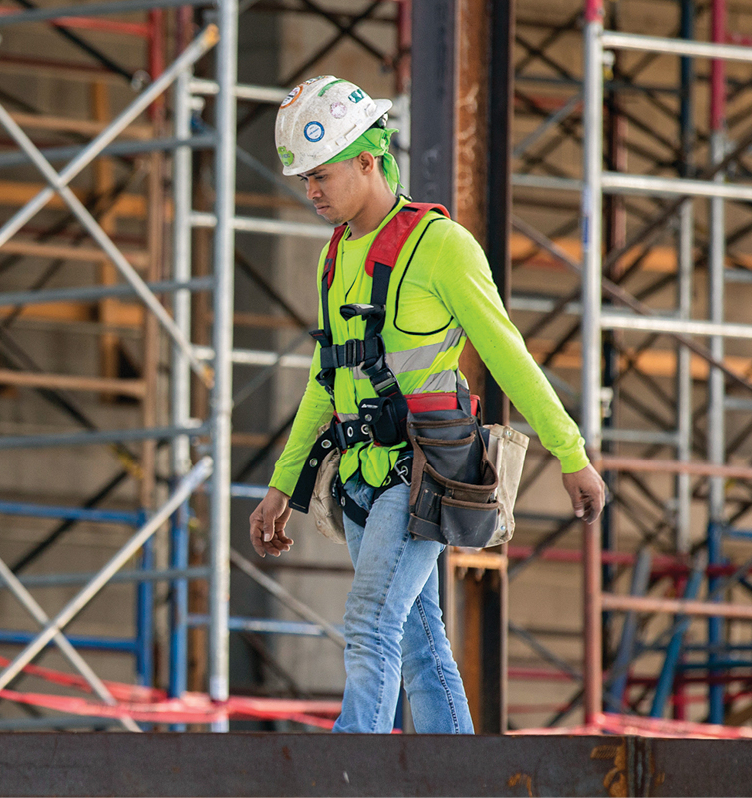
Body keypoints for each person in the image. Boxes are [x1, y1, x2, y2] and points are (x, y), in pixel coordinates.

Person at [248, 76, 605, 734]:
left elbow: (509, 356)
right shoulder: (335, 258)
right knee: (418, 640)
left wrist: (572, 454)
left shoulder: (441, 247)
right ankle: (457, 772)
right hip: (358, 476)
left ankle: (352, 771)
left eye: (321, 174)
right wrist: (282, 487)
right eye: (304, 180)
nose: (312, 191)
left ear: (368, 159)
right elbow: (326, 382)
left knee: (369, 620)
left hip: (422, 473)